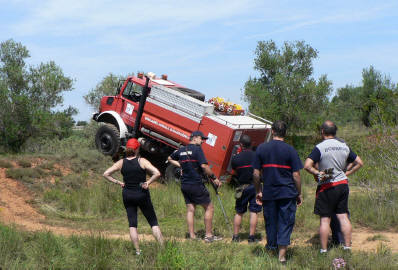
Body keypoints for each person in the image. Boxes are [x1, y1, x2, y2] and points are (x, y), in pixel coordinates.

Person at [304, 120, 363, 253]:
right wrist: (347, 173)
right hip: (343, 184)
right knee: (343, 216)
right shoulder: (344, 146)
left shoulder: (320, 147)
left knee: (325, 219)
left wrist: (317, 173)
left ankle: (324, 251)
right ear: (335, 132)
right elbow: (359, 162)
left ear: (323, 131)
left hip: (327, 185)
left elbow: (307, 165)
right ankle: (347, 247)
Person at [253, 120, 303, 263]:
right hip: (287, 193)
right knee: (285, 222)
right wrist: (298, 193)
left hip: (269, 193)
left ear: (272, 131)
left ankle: (271, 251)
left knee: (271, 222)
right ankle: (282, 257)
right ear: (285, 133)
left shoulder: (262, 149)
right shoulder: (290, 150)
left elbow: (256, 174)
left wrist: (258, 191)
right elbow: (296, 175)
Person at [103, 138, 164, 255]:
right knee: (153, 222)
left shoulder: (121, 162)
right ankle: (163, 249)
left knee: (132, 224)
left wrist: (118, 182)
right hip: (142, 194)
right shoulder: (142, 161)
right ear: (137, 149)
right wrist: (148, 183)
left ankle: (137, 251)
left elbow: (106, 174)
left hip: (127, 194)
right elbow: (157, 173)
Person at [168, 130, 222, 243]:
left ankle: (192, 236)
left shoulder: (181, 150)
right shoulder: (197, 150)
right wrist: (214, 178)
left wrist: (181, 165)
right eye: (202, 139)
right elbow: (204, 166)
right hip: (195, 184)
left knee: (190, 209)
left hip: (184, 185)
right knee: (209, 207)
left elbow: (170, 158)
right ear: (195, 138)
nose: (203, 141)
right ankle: (208, 236)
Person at [230, 134, 262, 243]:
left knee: (239, 212)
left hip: (242, 187)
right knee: (254, 212)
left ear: (241, 145)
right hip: (255, 186)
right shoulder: (257, 156)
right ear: (251, 144)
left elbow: (233, 171)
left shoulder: (236, 158)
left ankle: (235, 237)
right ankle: (251, 238)